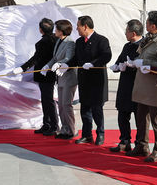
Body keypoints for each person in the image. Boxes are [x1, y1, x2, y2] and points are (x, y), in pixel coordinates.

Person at [126, 11, 157, 162]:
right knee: (141, 118)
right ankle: (141, 145)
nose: (145, 25)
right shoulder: (149, 38)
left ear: (153, 25)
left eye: (147, 23)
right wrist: (135, 61)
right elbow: (142, 54)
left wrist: (144, 63)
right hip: (143, 86)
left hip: (155, 87)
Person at [12, 18, 58, 135]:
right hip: (52, 74)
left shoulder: (42, 43)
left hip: (45, 75)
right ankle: (47, 124)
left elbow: (35, 58)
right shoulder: (57, 40)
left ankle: (53, 125)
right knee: (46, 99)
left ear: (41, 30)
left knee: (48, 100)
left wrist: (22, 68)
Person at [73, 15, 112, 145]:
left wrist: (93, 64)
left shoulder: (101, 40)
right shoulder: (79, 42)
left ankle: (100, 133)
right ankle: (87, 134)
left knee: (97, 109)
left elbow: (107, 56)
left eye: (78, 26)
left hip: (97, 80)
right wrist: (66, 65)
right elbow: (75, 58)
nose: (76, 29)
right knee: (85, 109)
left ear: (85, 26)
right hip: (84, 80)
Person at [108, 19, 143, 153]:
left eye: (126, 31)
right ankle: (124, 140)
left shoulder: (143, 45)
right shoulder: (127, 45)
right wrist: (117, 66)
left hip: (138, 84)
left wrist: (131, 65)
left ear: (133, 33)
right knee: (122, 113)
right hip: (124, 84)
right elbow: (120, 60)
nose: (125, 33)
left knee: (138, 115)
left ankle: (139, 143)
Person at [45, 19, 78, 139]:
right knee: (61, 106)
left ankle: (71, 130)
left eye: (57, 29)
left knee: (66, 104)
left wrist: (59, 64)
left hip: (69, 77)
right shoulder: (59, 40)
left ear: (62, 30)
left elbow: (68, 58)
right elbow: (55, 58)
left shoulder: (70, 42)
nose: (55, 31)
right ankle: (64, 129)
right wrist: (47, 66)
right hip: (60, 78)